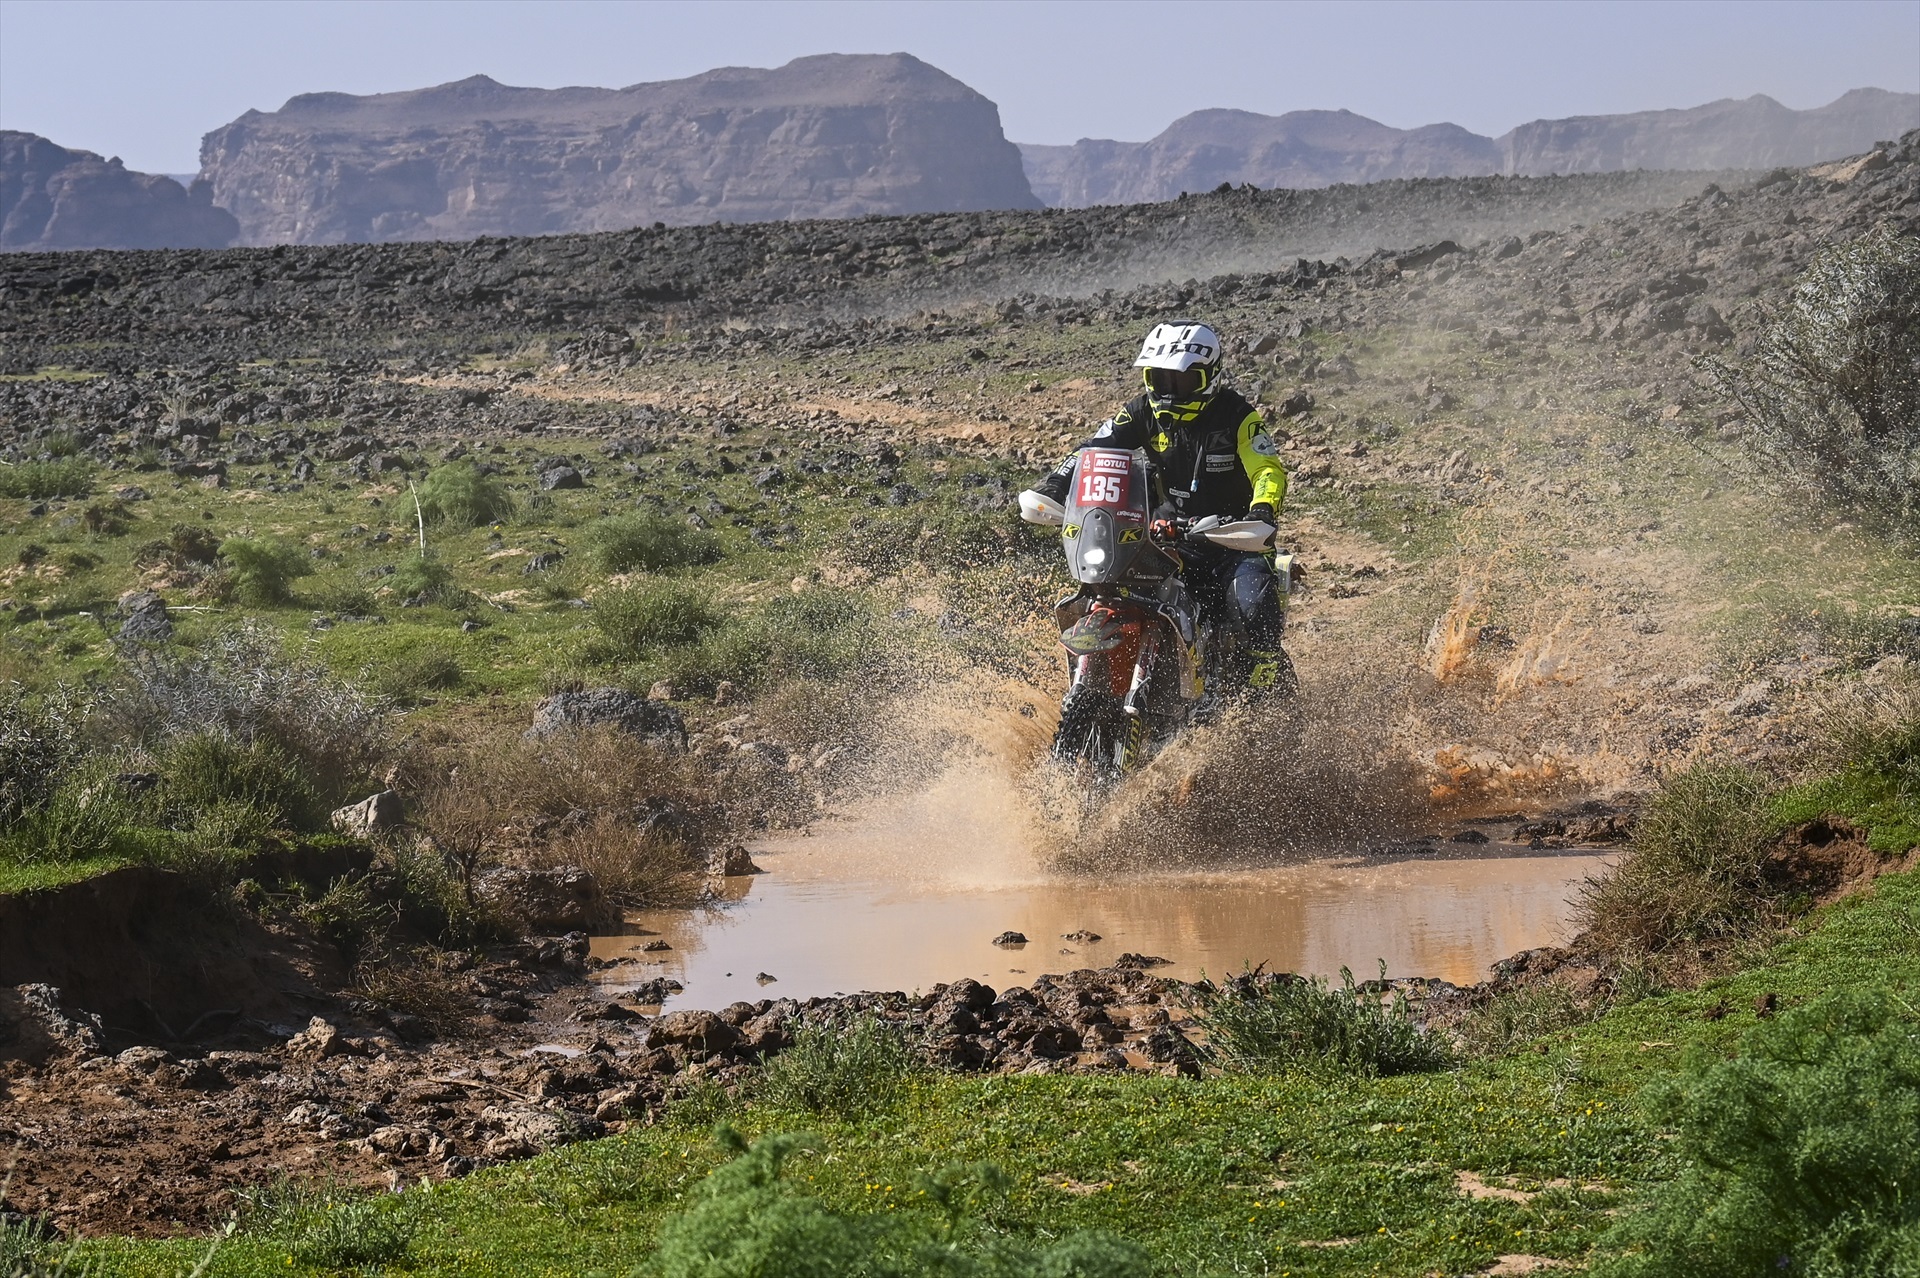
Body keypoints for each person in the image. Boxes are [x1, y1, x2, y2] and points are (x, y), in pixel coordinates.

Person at [1022, 319, 1295, 696]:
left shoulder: (1237, 416)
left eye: (1182, 381)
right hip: (1163, 538)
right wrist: (1056, 483)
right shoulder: (1139, 412)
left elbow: (1266, 469)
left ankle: (1267, 690)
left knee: (1250, 603)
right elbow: (1091, 451)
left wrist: (1262, 508)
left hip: (1231, 540)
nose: (1170, 391)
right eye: (1160, 379)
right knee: (1109, 587)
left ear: (1210, 377)